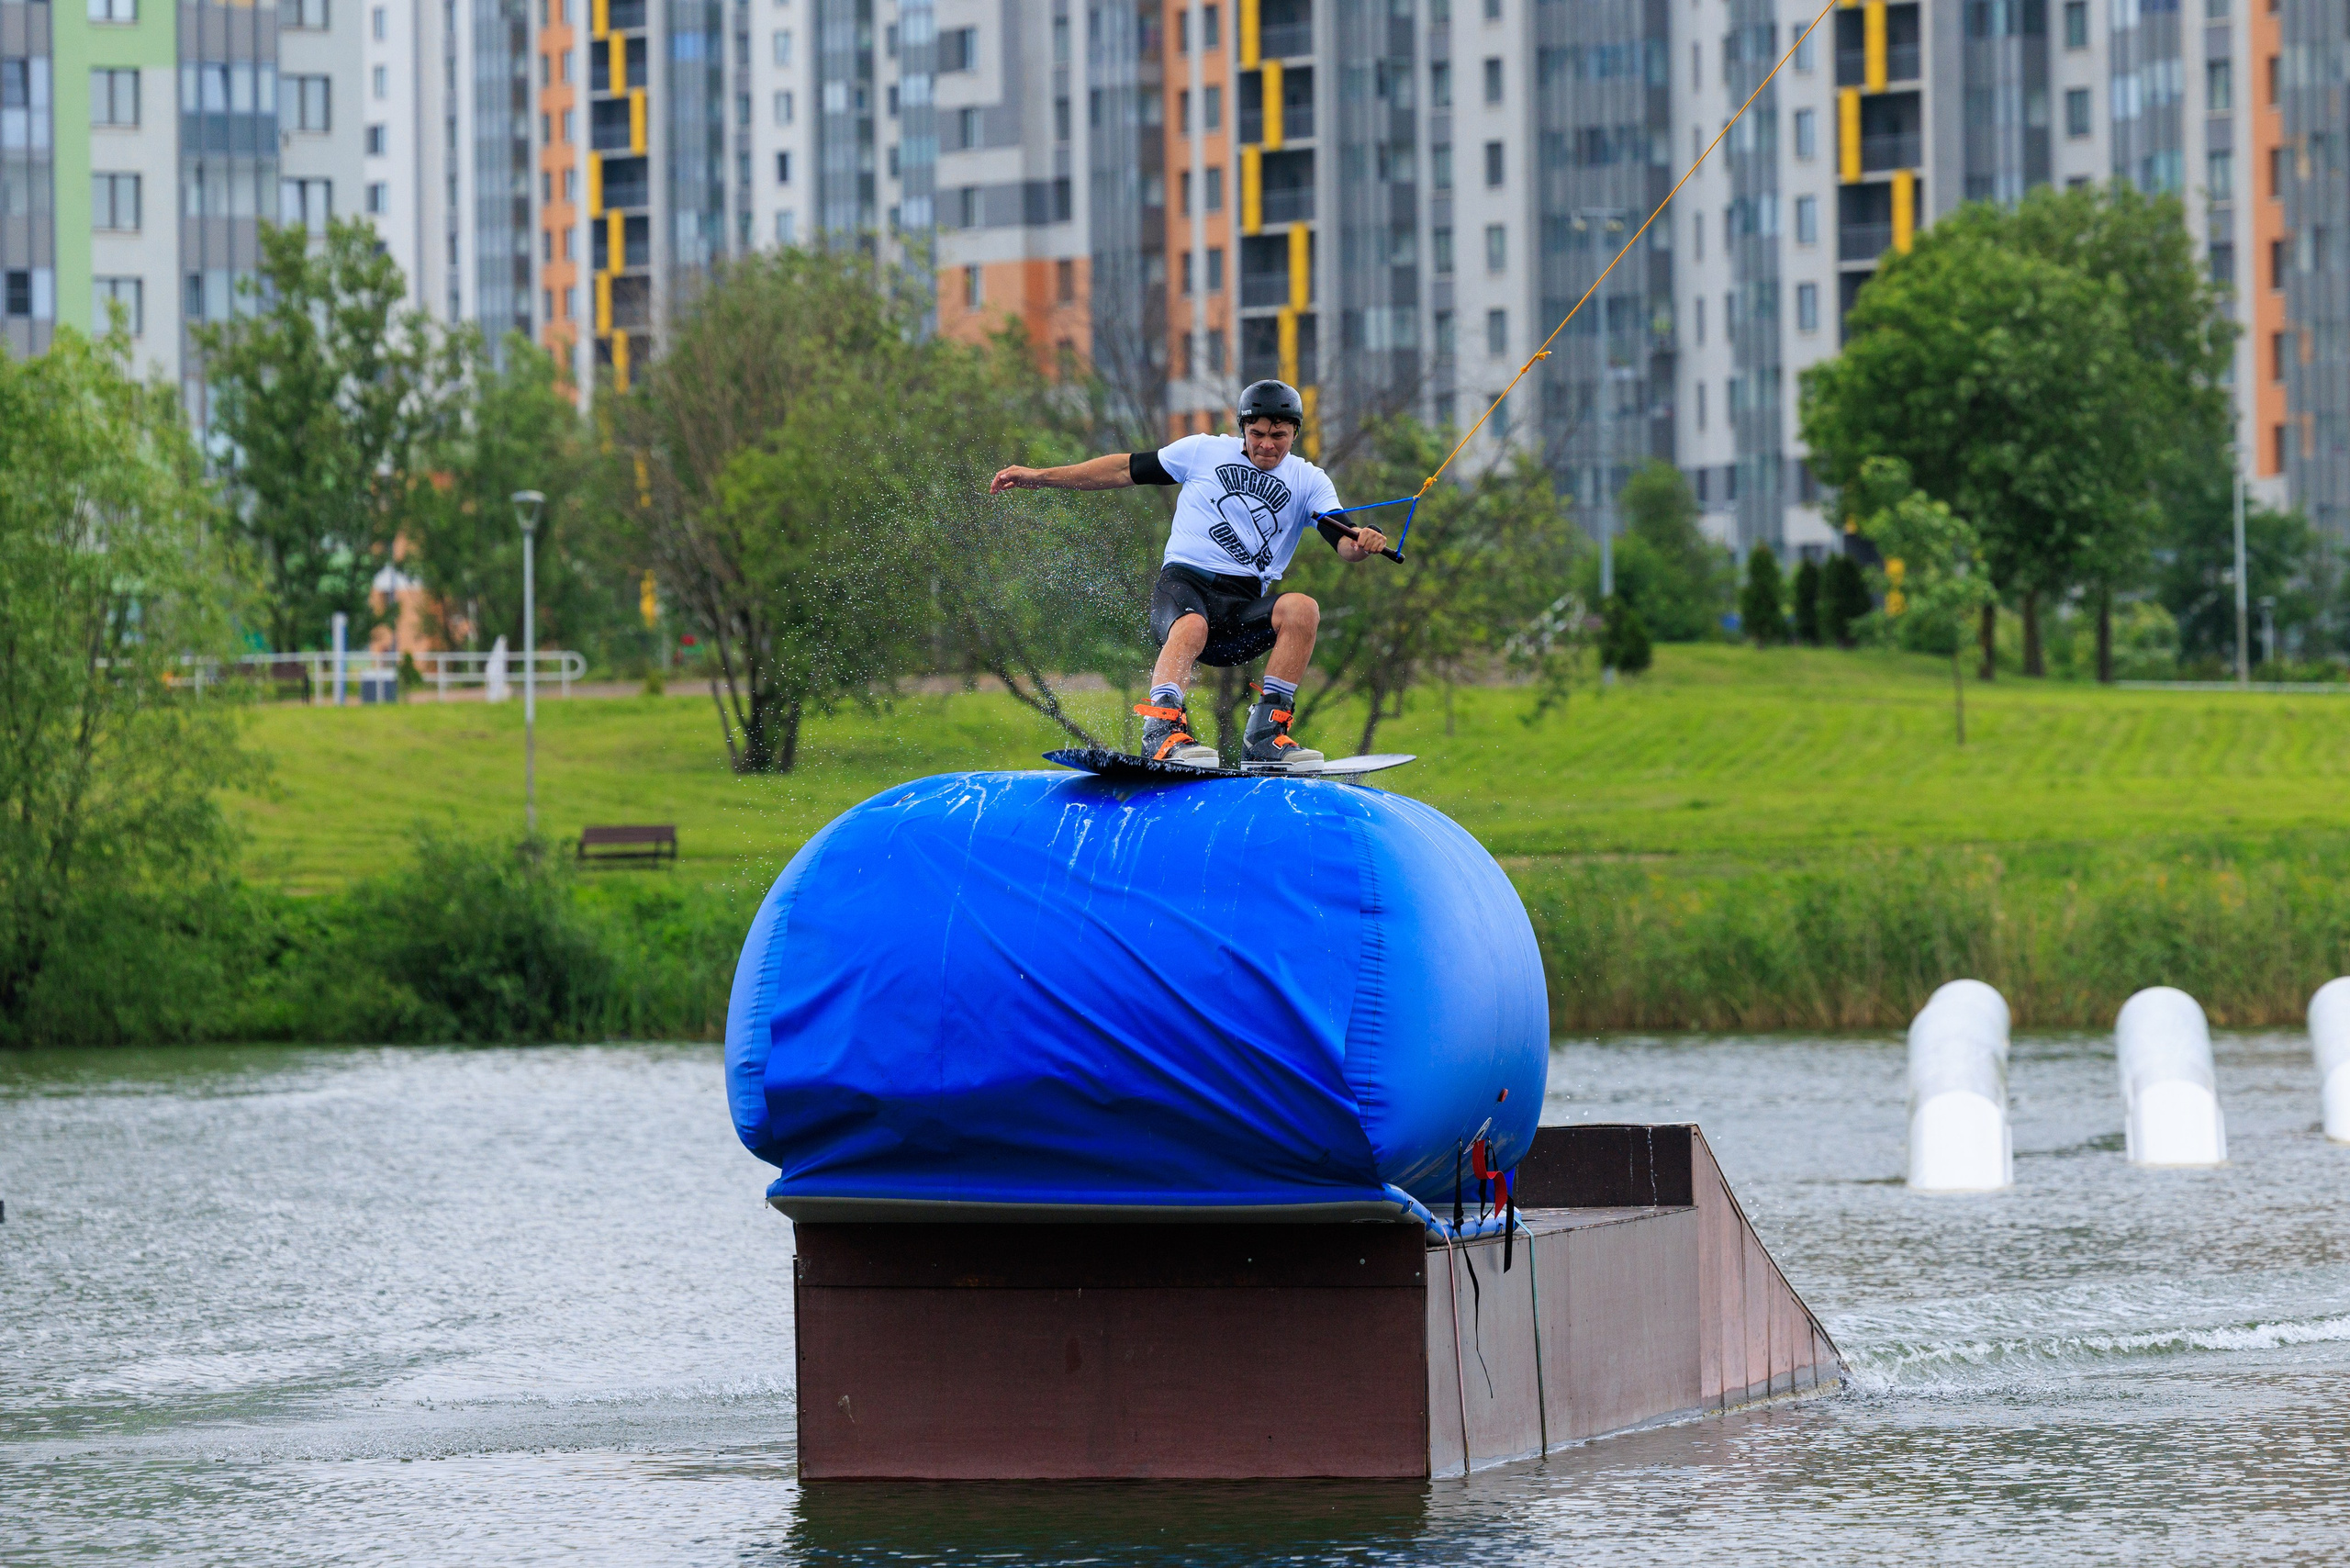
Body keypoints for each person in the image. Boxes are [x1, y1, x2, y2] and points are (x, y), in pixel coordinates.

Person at [988, 380, 1388, 771]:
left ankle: (1266, 736)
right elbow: (1123, 469)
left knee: (1303, 608)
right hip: (1184, 588)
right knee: (1193, 624)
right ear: (1242, 429)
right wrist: (1038, 477)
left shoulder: (1309, 481)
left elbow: (1344, 543)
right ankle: (1161, 727)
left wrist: (1363, 543)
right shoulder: (1203, 451)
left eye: (1279, 435)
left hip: (1241, 610)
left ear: (1295, 433)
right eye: (1258, 434)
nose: (1267, 444)